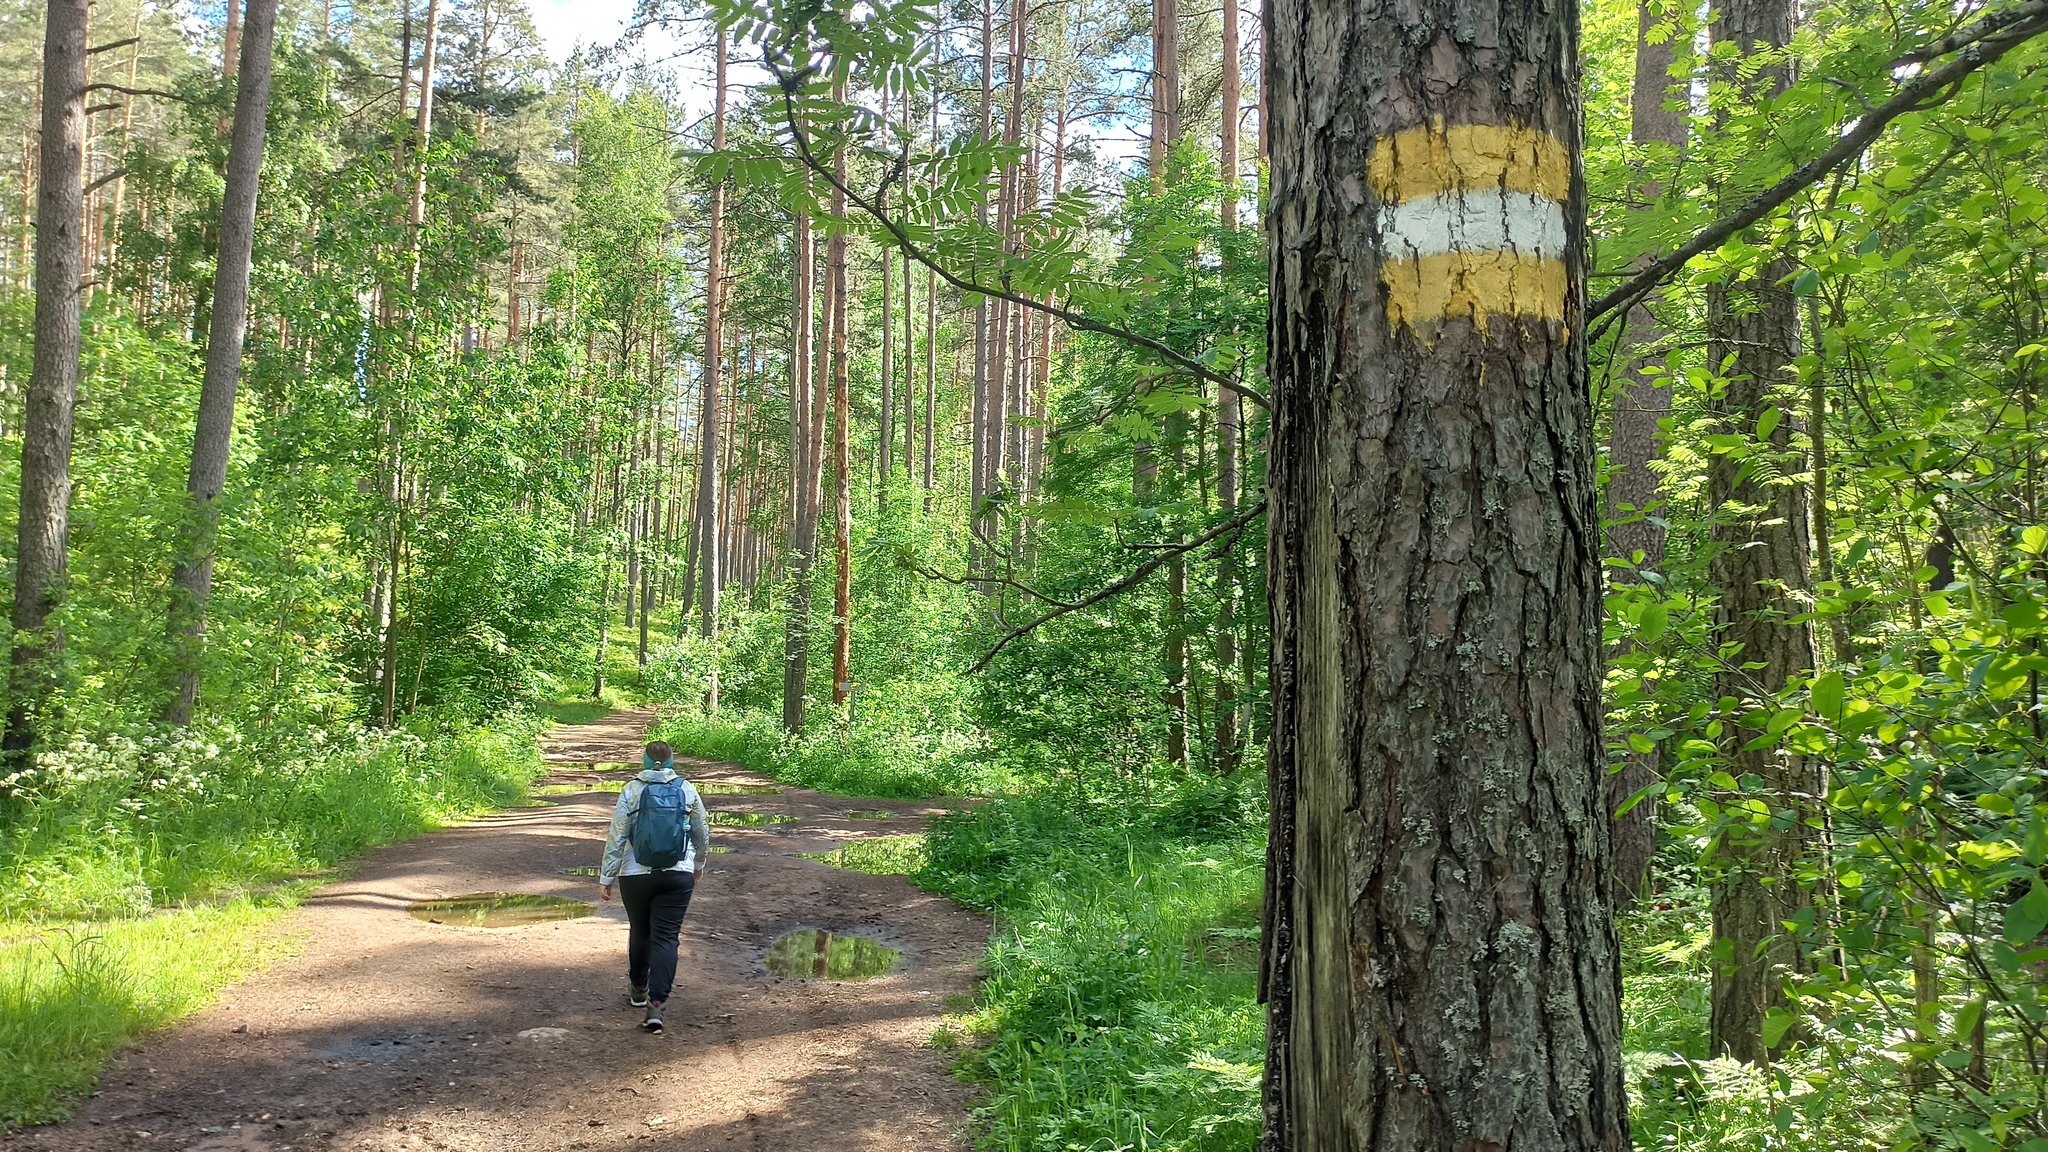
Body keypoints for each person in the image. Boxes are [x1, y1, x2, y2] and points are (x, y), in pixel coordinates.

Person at [597, 741, 710, 1033]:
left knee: (640, 930)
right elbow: (702, 831)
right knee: (666, 937)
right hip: (678, 874)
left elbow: (617, 836)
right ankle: (657, 1004)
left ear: (645, 761)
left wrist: (607, 877)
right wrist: (698, 864)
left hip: (636, 875)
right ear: (672, 761)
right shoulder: (686, 789)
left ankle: (638, 988)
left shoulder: (632, 790)